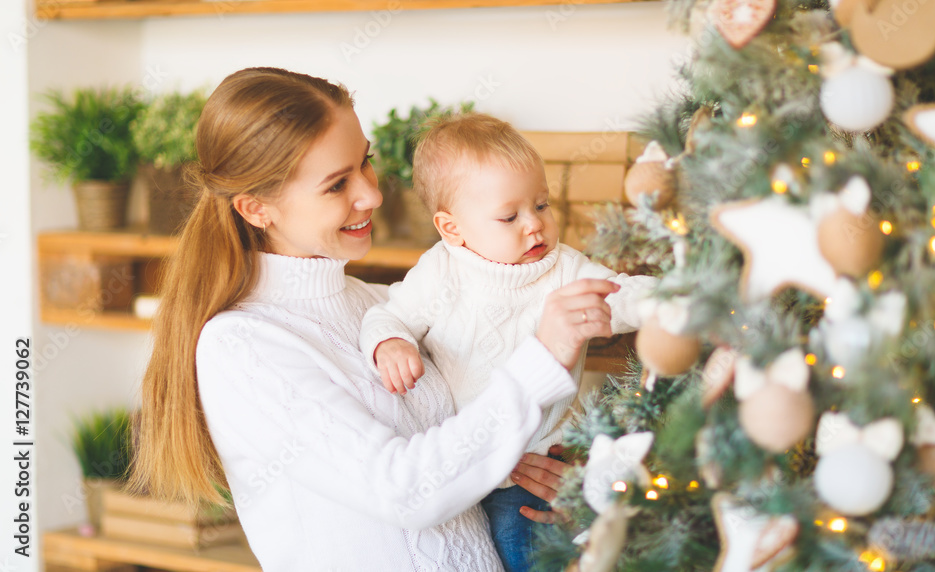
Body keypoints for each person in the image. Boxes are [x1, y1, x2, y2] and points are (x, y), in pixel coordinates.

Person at [127, 67, 621, 572]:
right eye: (337, 184)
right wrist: (543, 359)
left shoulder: (380, 306)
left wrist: (530, 466)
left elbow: (465, 435)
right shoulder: (243, 347)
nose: (372, 195)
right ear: (257, 209)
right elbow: (405, 491)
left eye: (365, 163)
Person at [359, 112, 654, 571]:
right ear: (451, 228)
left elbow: (620, 296)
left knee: (527, 555)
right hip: (455, 463)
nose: (534, 225)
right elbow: (388, 314)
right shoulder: (441, 270)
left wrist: (672, 300)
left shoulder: (565, 268)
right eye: (509, 216)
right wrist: (391, 343)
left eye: (542, 205)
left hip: (527, 476)